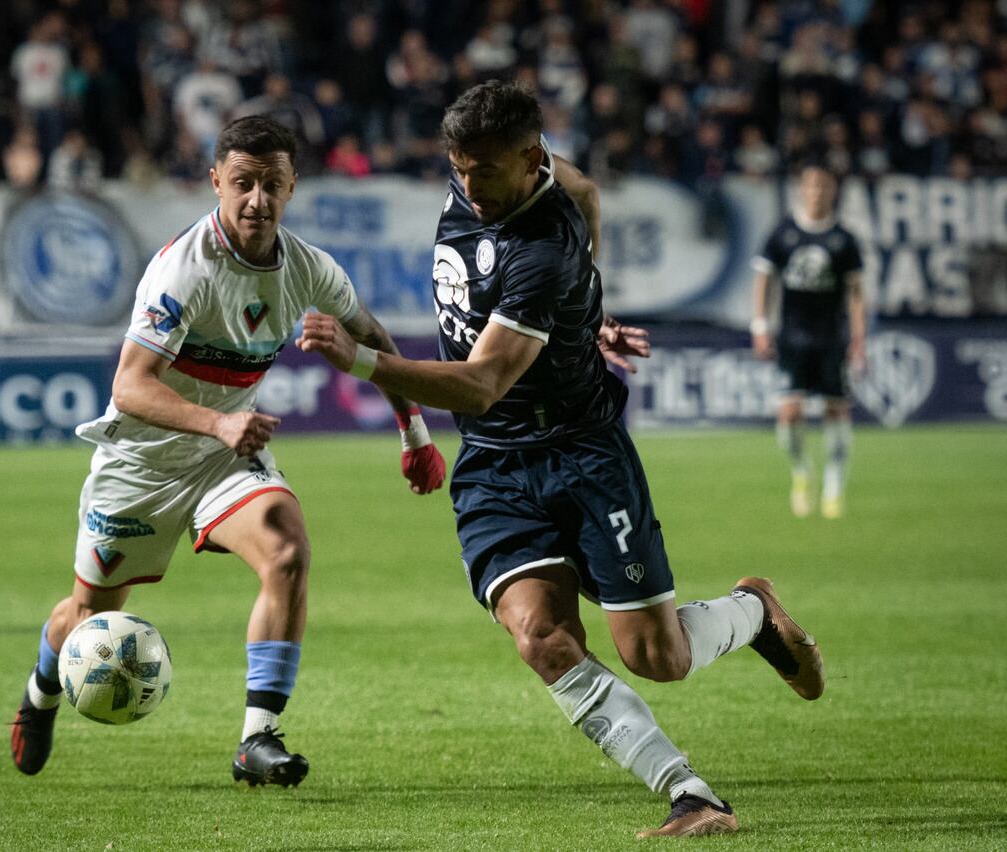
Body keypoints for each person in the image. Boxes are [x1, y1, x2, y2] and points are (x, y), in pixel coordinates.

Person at [297, 81, 824, 838]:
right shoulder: (508, 180)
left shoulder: (542, 250)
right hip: (495, 464)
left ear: (530, 159)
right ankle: (690, 793)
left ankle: (753, 612)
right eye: (459, 167)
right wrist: (589, 312)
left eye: (485, 170)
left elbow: (479, 384)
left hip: (581, 452)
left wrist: (361, 360)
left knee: (657, 656)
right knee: (541, 638)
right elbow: (588, 189)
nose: (469, 185)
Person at [9, 116, 446, 786]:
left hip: (224, 458)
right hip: (142, 465)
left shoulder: (309, 269)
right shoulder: (184, 270)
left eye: (272, 184)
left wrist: (411, 429)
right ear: (216, 181)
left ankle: (256, 739)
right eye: (243, 183)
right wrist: (215, 424)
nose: (257, 200)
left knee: (287, 549)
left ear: (292, 186)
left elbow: (374, 335)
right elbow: (129, 386)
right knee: (92, 614)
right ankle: (39, 697)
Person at [751, 162, 866, 519]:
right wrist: (759, 326)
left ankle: (834, 483)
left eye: (823, 185)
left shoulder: (844, 239)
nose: (816, 192)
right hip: (793, 338)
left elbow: (856, 293)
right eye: (811, 185)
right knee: (788, 413)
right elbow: (763, 280)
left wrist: (860, 338)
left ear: (832, 190)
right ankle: (802, 472)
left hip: (832, 338)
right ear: (801, 189)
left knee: (836, 410)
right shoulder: (783, 234)